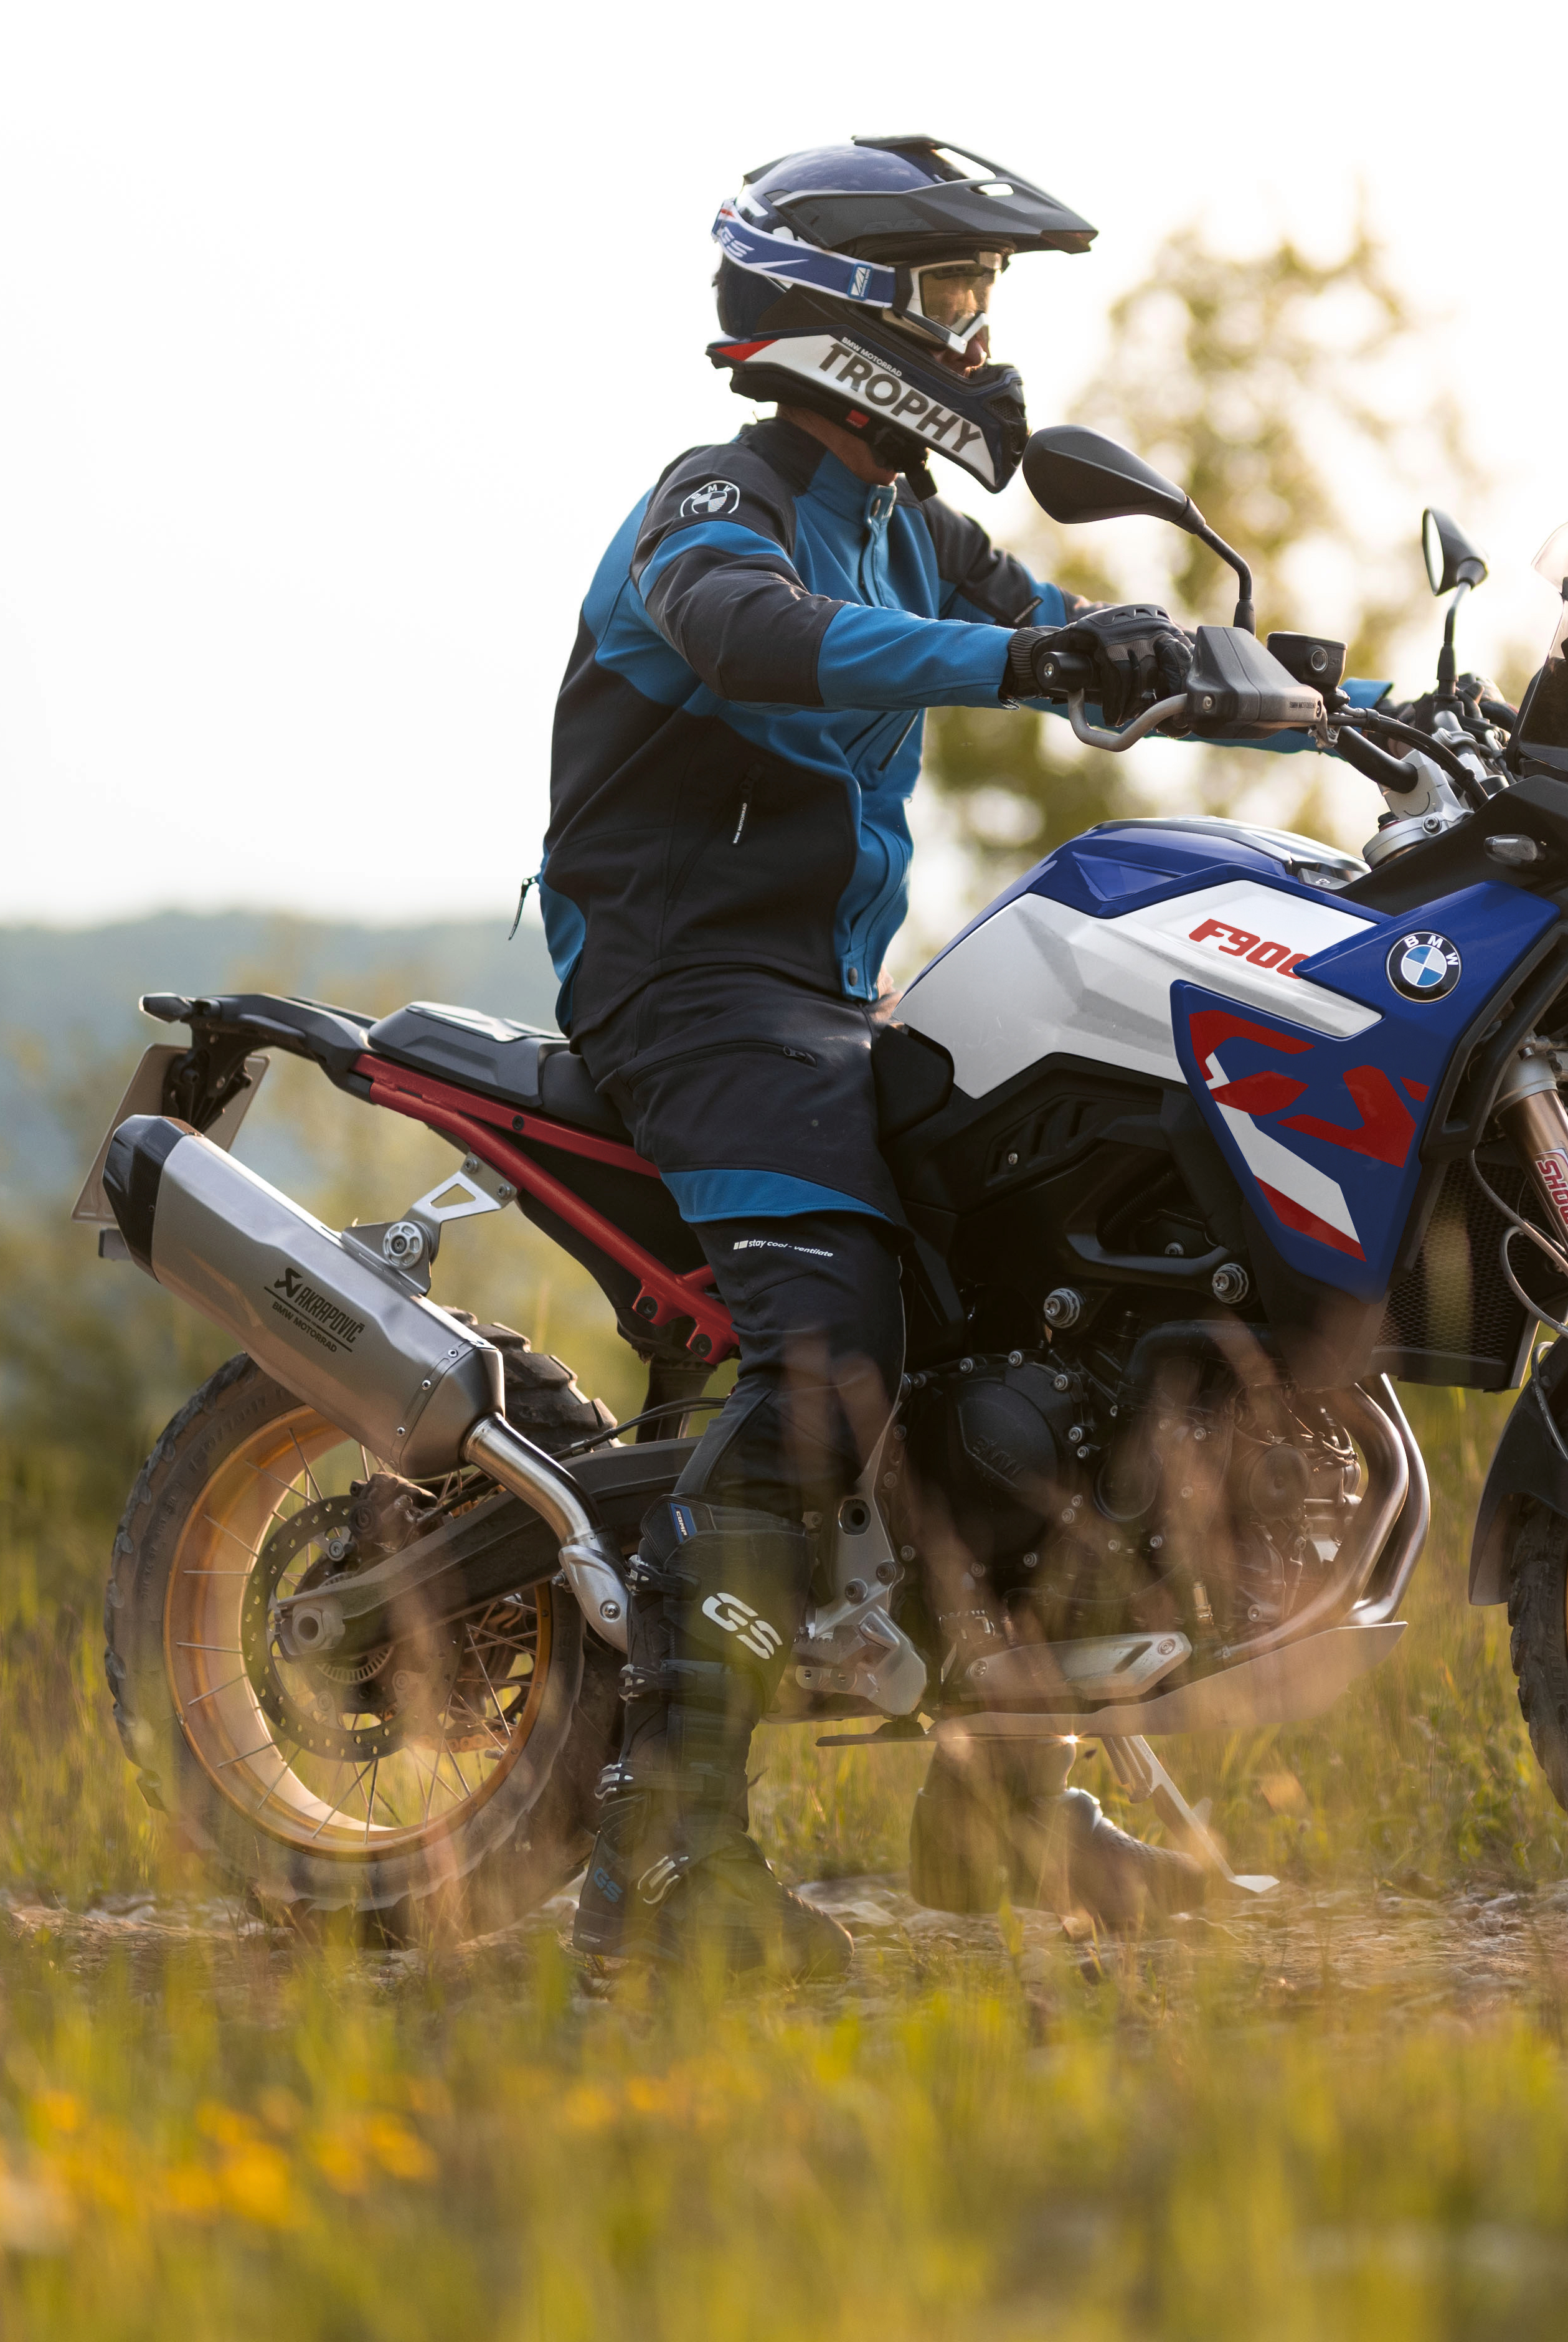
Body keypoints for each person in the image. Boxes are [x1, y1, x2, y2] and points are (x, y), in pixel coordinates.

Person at [537, 136, 1227, 1979]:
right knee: (831, 1355)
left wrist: (1372, 709)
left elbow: (1086, 645)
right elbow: (755, 636)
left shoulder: (913, 527)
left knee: (1051, 1307)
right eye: (951, 299)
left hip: (832, 995)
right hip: (690, 987)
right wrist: (1024, 670)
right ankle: (662, 1871)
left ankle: (993, 1807)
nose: (979, 339)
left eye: (980, 301)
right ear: (845, 314)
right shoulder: (719, 501)